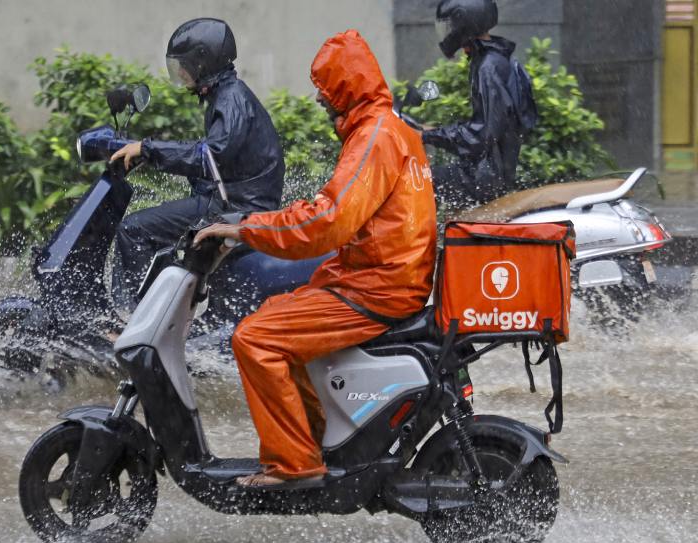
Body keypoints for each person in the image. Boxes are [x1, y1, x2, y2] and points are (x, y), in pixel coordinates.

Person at [194, 30, 437, 487]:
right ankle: (316, 437)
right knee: (273, 313)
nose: (324, 105)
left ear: (345, 91)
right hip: (384, 276)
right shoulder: (394, 128)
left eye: (327, 95)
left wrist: (247, 228)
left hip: (377, 286)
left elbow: (328, 221)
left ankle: (294, 464)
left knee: (255, 338)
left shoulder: (374, 137)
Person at [110, 18, 284, 302]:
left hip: (236, 206)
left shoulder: (231, 100)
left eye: (184, 64)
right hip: (233, 198)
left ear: (203, 62)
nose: (180, 71)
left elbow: (210, 156)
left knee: (134, 229)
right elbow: (217, 160)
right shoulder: (225, 95)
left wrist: (148, 149)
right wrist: (152, 153)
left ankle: (132, 322)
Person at [422, 0, 537, 211]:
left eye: (451, 25)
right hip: (490, 170)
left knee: (420, 182)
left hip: (485, 177)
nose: (448, 33)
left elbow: (482, 135)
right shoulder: (492, 59)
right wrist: (435, 131)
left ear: (465, 24)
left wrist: (429, 135)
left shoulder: (488, 67)